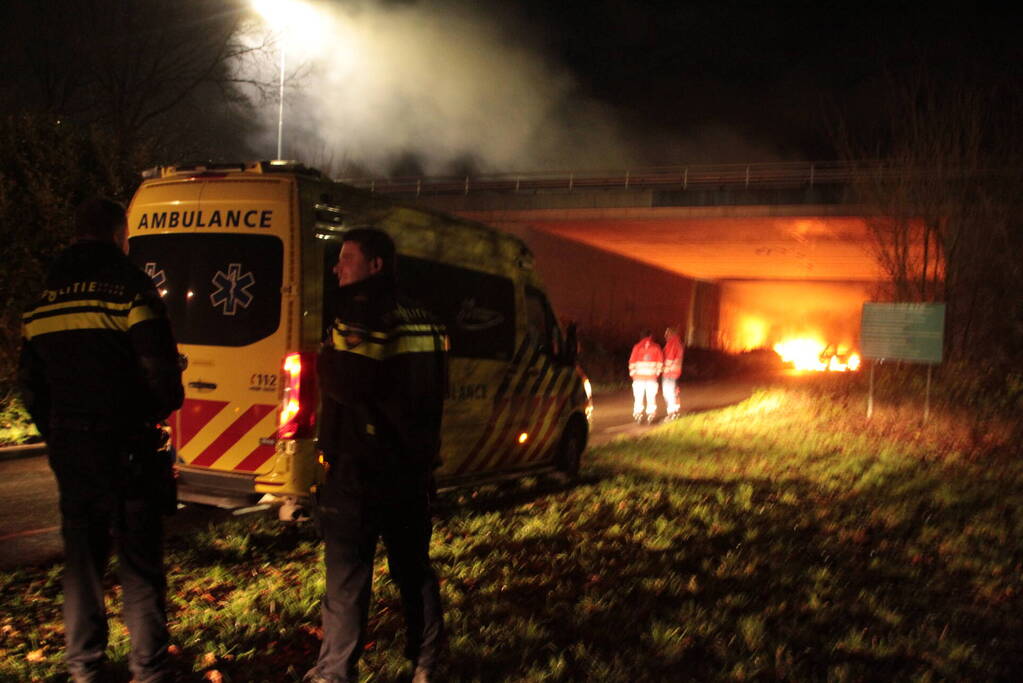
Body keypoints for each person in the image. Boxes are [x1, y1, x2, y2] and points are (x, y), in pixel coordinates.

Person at [18, 198, 184, 683]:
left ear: (75, 236)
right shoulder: (133, 289)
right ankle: (150, 670)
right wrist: (146, 417)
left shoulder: (45, 299)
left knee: (82, 564)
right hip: (129, 450)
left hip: (73, 450)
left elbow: (31, 384)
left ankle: (84, 669)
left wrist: (59, 432)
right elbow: (164, 382)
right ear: (119, 236)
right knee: (138, 564)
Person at [306, 228, 448, 683]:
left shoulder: (361, 313)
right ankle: (427, 662)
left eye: (346, 258)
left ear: (376, 265)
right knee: (413, 571)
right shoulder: (427, 317)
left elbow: (346, 383)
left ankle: (335, 672)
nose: (337, 267)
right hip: (411, 468)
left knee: (347, 578)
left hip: (361, 470)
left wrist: (321, 356)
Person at [628, 329, 663, 424]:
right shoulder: (656, 347)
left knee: (638, 397)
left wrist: (633, 375)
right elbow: (660, 363)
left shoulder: (637, 347)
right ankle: (651, 414)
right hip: (651, 377)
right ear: (650, 336)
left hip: (638, 378)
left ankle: (638, 414)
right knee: (651, 397)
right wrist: (656, 374)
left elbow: (632, 362)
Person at [662, 326, 685, 420]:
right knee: (674, 393)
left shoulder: (671, 343)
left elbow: (670, 358)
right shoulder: (678, 343)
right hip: (675, 373)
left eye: (667, 333)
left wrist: (663, 368)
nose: (665, 335)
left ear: (671, 334)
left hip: (669, 373)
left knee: (668, 393)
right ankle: (675, 412)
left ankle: (671, 414)